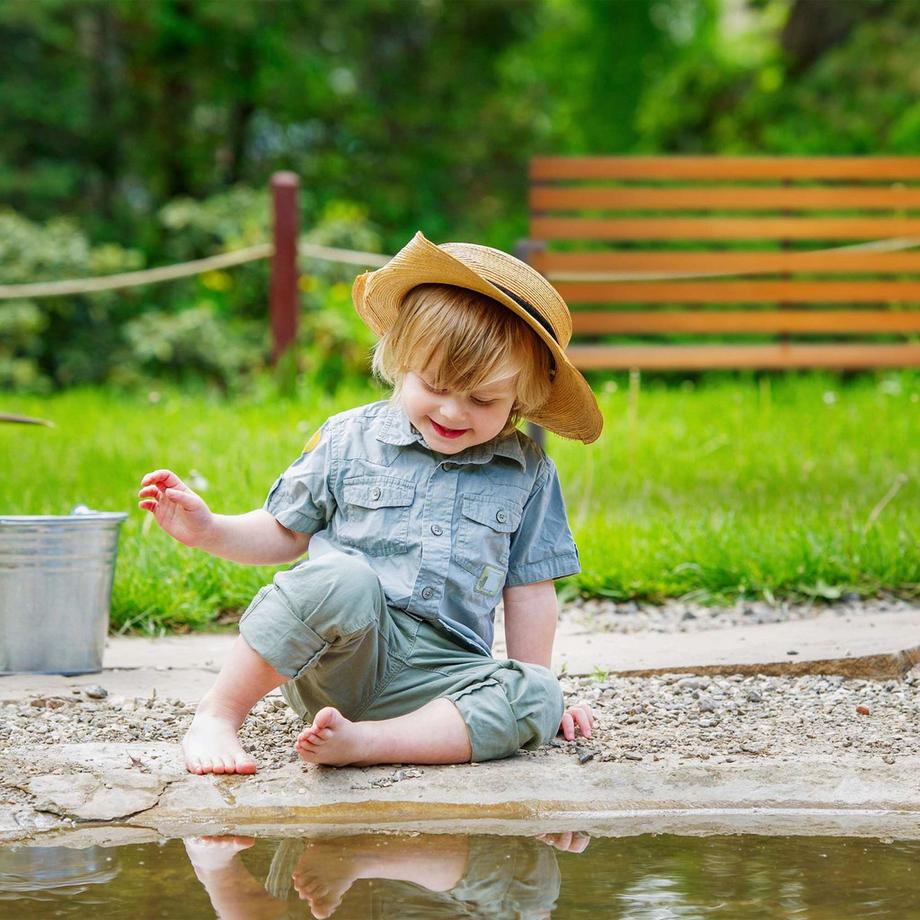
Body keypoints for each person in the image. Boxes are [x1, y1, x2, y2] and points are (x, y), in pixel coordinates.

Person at [138, 231, 602, 776]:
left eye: (482, 400)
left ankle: (366, 742)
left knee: (539, 693)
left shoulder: (526, 473)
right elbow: (285, 532)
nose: (453, 412)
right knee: (343, 577)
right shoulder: (348, 439)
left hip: (443, 678)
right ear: (401, 361)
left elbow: (530, 591)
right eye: (435, 386)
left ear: (520, 397)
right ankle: (219, 713)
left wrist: (531, 680)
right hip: (340, 659)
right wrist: (209, 530)